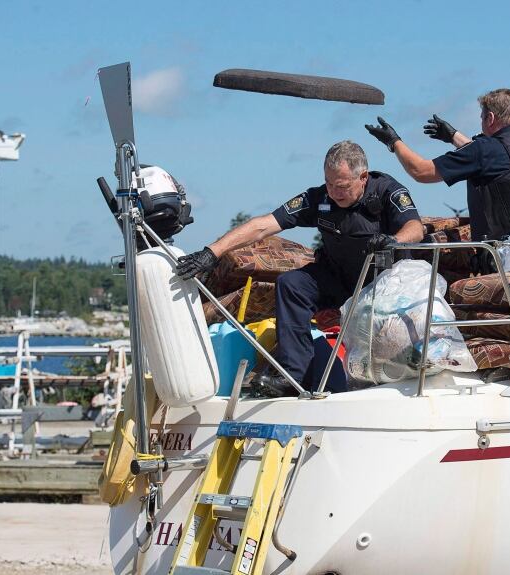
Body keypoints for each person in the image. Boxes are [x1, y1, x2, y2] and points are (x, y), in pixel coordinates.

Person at [176, 141, 424, 394]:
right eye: (328, 183)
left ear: (363, 177)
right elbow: (263, 225)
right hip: (338, 279)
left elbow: (415, 228)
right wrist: (211, 252)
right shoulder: (319, 198)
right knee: (292, 284)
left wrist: (393, 240)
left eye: (342, 186)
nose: (334, 192)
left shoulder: (388, 192)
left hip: (382, 286)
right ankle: (293, 377)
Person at [365, 88, 510, 270]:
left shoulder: (486, 150)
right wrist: (453, 136)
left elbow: (421, 171)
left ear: (490, 118)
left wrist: (393, 142)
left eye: (482, 117)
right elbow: (493, 158)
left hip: (509, 259)